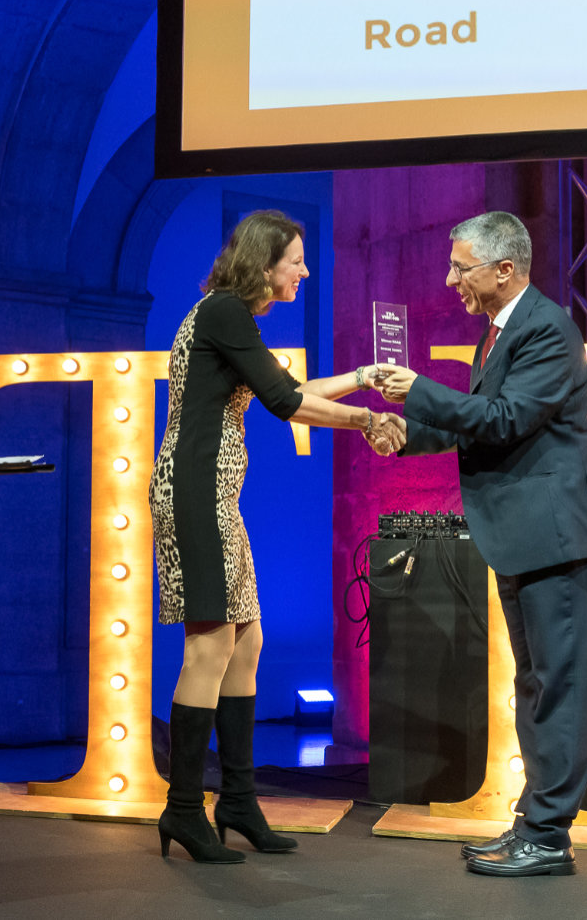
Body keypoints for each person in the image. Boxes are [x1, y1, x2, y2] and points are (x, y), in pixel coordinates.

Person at [150, 209, 404, 864]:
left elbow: (286, 389)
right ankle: (184, 808)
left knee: (247, 641)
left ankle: (237, 800)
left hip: (216, 497)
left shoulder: (228, 316)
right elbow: (287, 404)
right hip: (196, 494)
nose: (305, 271)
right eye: (296, 260)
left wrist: (362, 379)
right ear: (264, 265)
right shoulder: (224, 312)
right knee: (210, 645)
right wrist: (365, 420)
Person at [376, 211, 587, 878]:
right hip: (528, 538)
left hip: (557, 539)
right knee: (536, 685)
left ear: (504, 269)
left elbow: (507, 419)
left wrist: (419, 392)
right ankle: (534, 825)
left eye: (461, 268)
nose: (450, 280)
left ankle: (549, 836)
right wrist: (404, 433)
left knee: (558, 689)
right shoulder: (502, 330)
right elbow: (480, 426)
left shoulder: (545, 328)